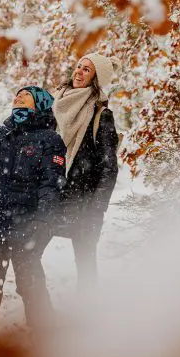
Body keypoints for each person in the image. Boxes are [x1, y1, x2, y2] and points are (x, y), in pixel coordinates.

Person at [0, 86, 66, 353]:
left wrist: (43, 222)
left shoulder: (50, 139)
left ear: (40, 103)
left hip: (27, 227)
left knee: (30, 286)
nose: (18, 97)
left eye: (26, 94)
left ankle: (48, 347)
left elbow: (51, 186)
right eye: (16, 94)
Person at [50, 54, 120, 289]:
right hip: (50, 194)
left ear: (96, 79)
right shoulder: (55, 105)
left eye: (87, 70)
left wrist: (96, 209)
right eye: (79, 67)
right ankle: (39, 314)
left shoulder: (101, 115)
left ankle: (87, 313)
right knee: (27, 256)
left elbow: (109, 167)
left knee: (85, 262)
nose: (79, 72)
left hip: (83, 203)